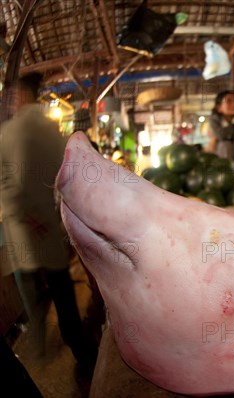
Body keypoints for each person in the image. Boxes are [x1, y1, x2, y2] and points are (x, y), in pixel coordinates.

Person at [0, 73, 98, 371]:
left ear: (22, 97)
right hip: (48, 221)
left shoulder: (6, 132)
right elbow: (64, 174)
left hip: (22, 225)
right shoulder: (53, 131)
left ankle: (39, 348)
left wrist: (24, 214)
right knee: (62, 289)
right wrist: (52, 212)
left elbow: (3, 182)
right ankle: (80, 349)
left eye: (13, 96)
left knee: (31, 287)